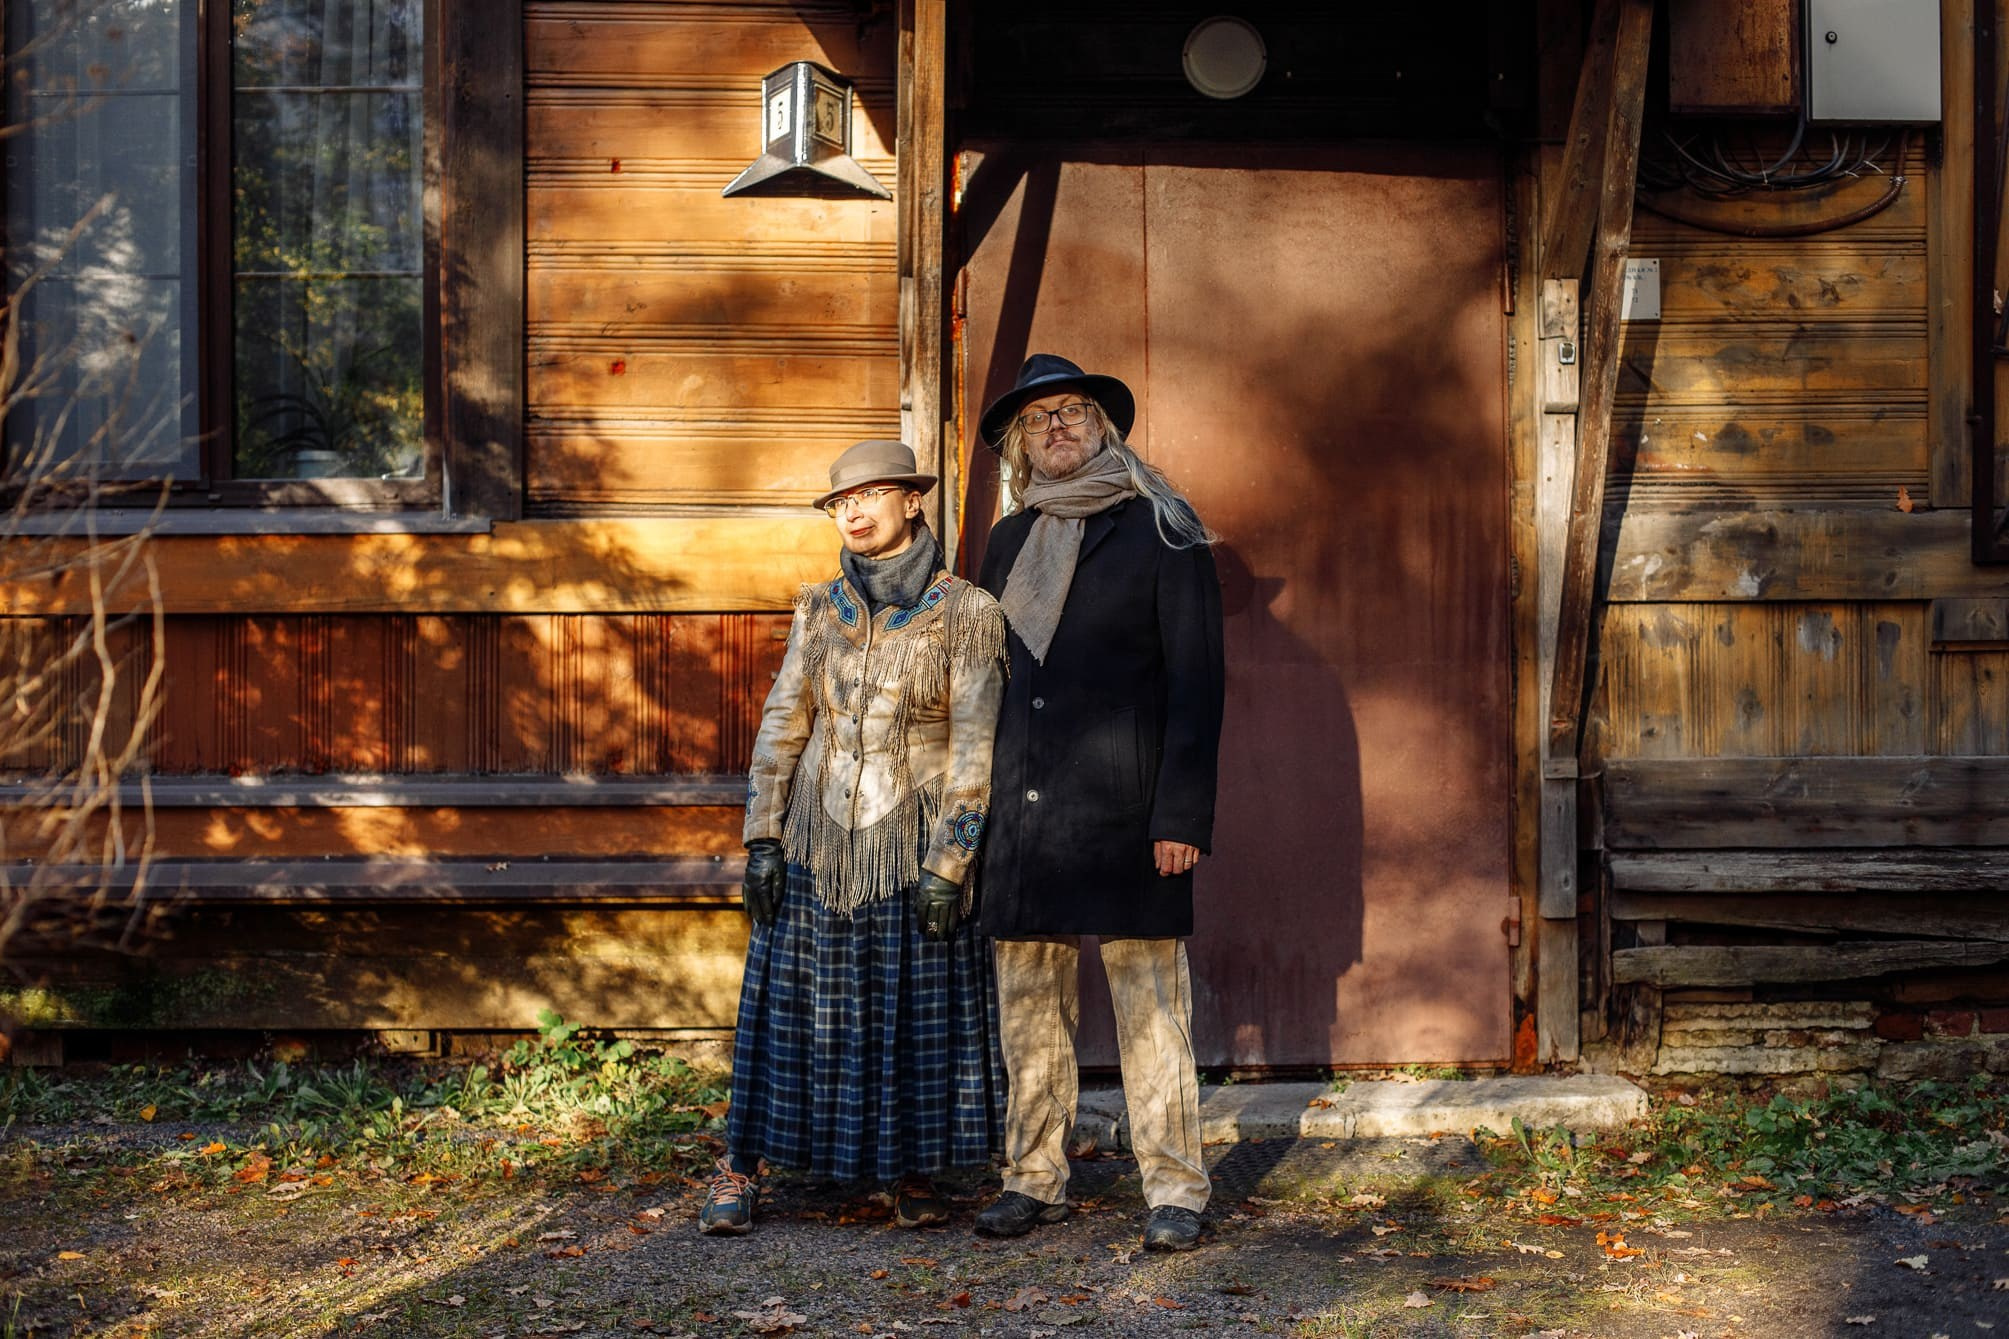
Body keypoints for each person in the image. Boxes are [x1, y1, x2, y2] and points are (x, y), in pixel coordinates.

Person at [703, 439, 1009, 1236]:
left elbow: (975, 751)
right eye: (842, 502)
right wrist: (762, 838)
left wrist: (951, 861)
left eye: (872, 495)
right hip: (814, 839)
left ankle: (905, 1170)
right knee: (784, 1011)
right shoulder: (816, 607)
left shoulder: (968, 612)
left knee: (907, 1011)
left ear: (912, 501)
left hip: (910, 839)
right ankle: (738, 1167)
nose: (855, 511)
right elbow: (782, 725)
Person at [971, 354, 1225, 1253]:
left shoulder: (1161, 526)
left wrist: (1180, 817)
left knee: (1150, 1003)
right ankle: (1032, 1177)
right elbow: (990, 685)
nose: (1058, 427)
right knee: (1028, 1004)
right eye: (1039, 419)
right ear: (1019, 445)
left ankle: (1174, 1186)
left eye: (1074, 411)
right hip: (1026, 813)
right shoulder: (1006, 542)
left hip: (1127, 809)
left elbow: (1197, 682)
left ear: (1103, 428)